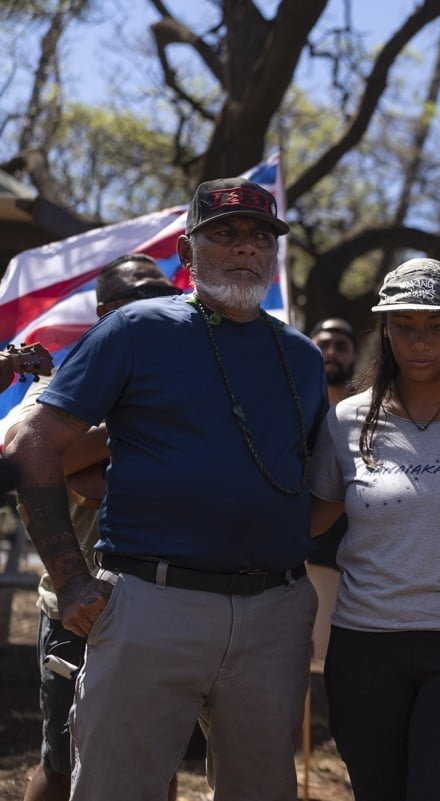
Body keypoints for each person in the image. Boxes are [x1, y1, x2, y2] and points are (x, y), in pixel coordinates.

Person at [8, 178, 327, 801]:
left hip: (275, 612)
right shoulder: (136, 328)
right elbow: (33, 443)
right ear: (187, 253)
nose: (245, 250)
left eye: (261, 238)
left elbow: (308, 478)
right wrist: (71, 577)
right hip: (152, 603)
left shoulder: (304, 357)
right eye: (224, 235)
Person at [308, 258, 440, 800]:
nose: (420, 342)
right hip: (364, 651)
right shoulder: (347, 420)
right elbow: (308, 520)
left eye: (436, 326)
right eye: (404, 326)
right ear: (384, 330)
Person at [5, 254, 187, 801]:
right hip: (79, 607)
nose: (156, 307)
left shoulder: (186, 384)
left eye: (165, 296)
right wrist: (130, 423)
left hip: (171, 602)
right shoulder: (61, 387)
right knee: (63, 764)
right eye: (139, 298)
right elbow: (28, 455)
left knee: (157, 761)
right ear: (106, 312)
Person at [307, 316, 359, 668]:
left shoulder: (370, 414)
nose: (331, 352)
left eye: (341, 346)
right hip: (292, 562)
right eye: (323, 344)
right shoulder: (286, 407)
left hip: (348, 567)